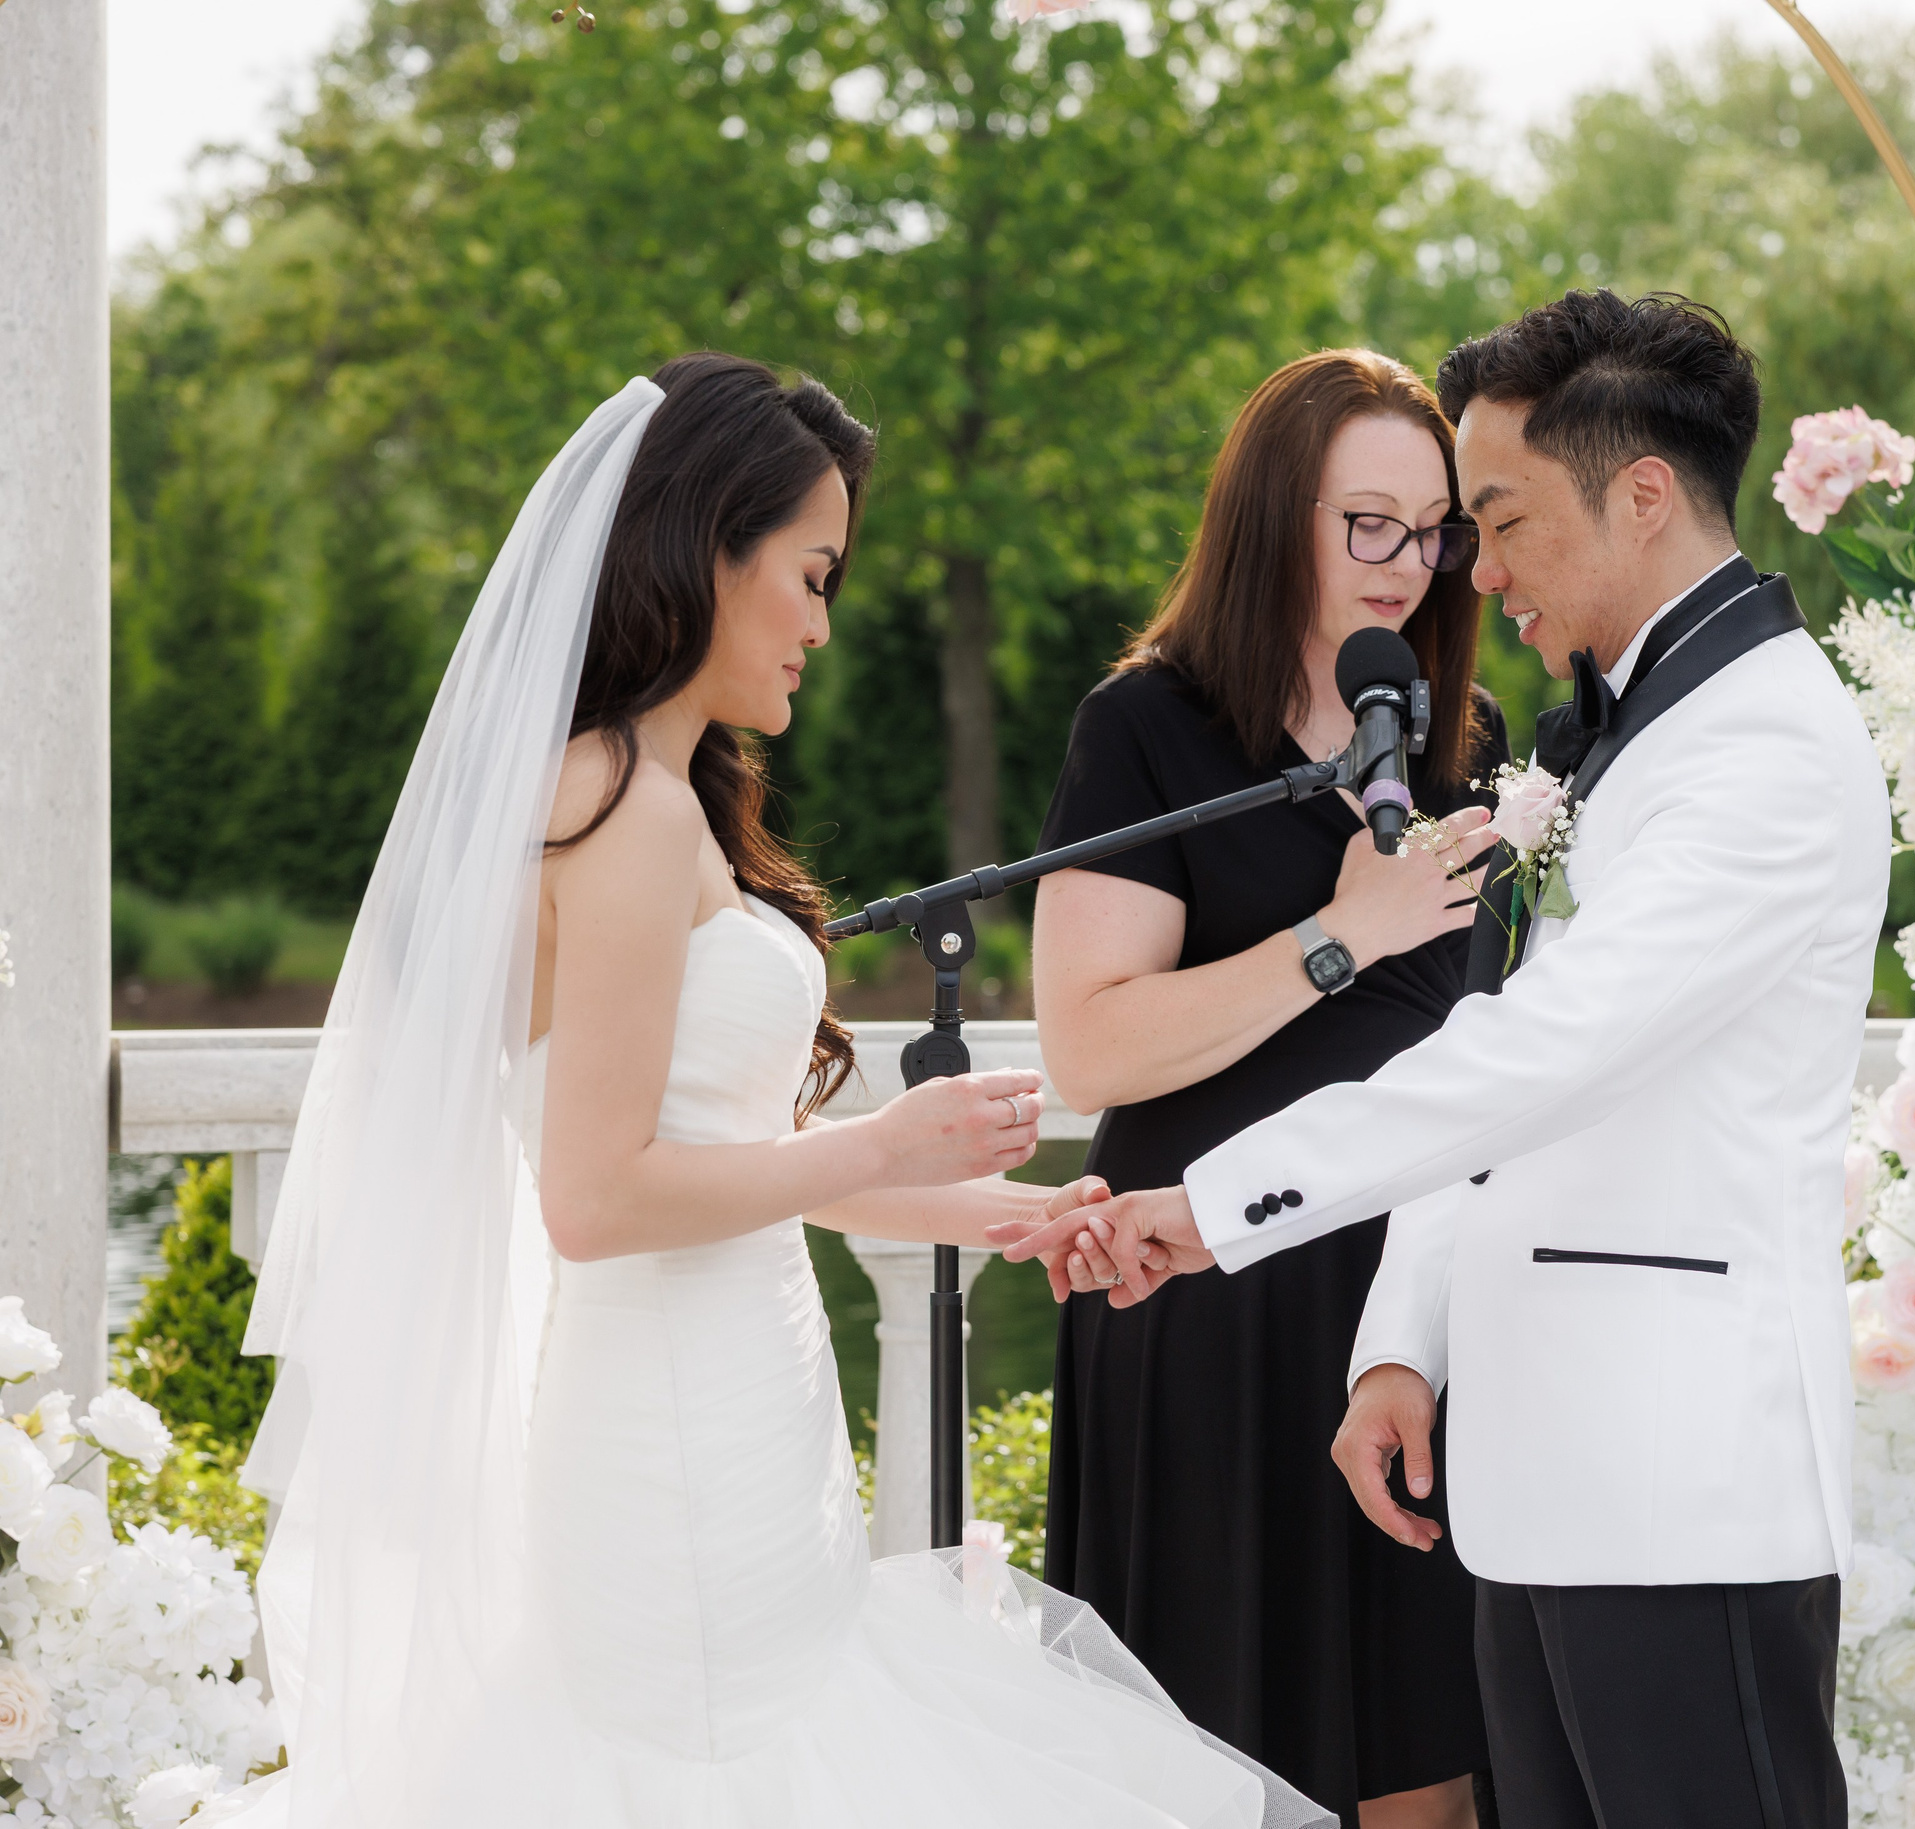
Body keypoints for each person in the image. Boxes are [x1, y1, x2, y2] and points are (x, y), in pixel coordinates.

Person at [224, 353, 1328, 1829]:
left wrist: (1004, 1210)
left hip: (742, 1419)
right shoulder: (618, 807)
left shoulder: (654, 795)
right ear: (706, 549)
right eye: (810, 576)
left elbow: (728, 1154)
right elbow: (597, 1198)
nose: (820, 623)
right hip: (674, 1448)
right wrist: (881, 1143)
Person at [1005, 292, 1892, 1829]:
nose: (1469, 571)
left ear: (1641, 495)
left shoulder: (1760, 750)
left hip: (1679, 1482)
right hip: (1539, 1479)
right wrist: (1400, 1343)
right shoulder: (1622, 737)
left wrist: (1214, 1203)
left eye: (1497, 519)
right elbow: (1491, 1054)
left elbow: (1538, 1055)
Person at [1030, 348, 1506, 1829]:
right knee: (1214, 1774)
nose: (1406, 566)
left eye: (1433, 533)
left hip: (1407, 1312)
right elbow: (1088, 1046)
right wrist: (1335, 938)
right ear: (1270, 516)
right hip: (1209, 1305)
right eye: (1369, 523)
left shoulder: (1466, 744)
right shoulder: (1148, 729)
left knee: (1430, 1766)